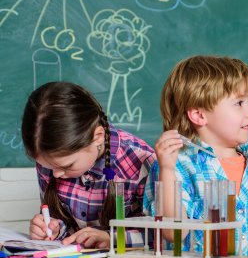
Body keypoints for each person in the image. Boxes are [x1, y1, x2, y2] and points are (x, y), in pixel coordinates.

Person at [143, 55, 248, 256]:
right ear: (199, 115)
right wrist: (168, 170)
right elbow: (174, 233)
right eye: (239, 103)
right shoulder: (176, 165)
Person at [22, 81, 156, 248]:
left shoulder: (142, 162)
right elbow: (64, 223)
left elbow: (164, 235)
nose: (55, 174)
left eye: (67, 166)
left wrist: (112, 239)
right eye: (49, 167)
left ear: (97, 137)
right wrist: (55, 229)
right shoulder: (51, 160)